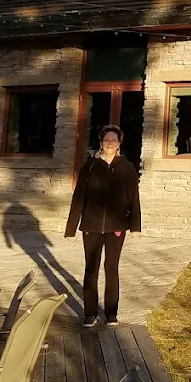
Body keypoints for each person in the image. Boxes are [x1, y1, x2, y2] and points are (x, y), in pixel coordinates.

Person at [65, 124, 141, 327]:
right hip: (91, 226)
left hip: (116, 227)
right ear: (101, 143)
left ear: (119, 144)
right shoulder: (89, 166)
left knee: (111, 268)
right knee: (91, 269)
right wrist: (72, 226)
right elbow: (79, 196)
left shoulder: (127, 167)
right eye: (106, 140)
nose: (109, 143)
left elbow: (134, 197)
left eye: (113, 140)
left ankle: (111, 313)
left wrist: (134, 225)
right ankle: (89, 313)